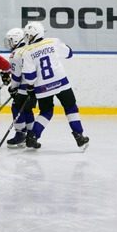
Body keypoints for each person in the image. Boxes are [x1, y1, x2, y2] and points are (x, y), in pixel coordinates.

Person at [19, 22, 89, 151]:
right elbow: (69, 53)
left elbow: (30, 77)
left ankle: (32, 136)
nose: (27, 38)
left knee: (46, 112)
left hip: (42, 86)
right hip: (61, 82)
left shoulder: (27, 52)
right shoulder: (53, 42)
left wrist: (30, 88)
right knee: (70, 108)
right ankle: (79, 135)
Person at [4, 27, 36, 148]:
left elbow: (16, 76)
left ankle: (20, 134)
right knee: (27, 109)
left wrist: (13, 88)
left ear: (16, 40)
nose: (9, 44)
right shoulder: (30, 49)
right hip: (34, 86)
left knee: (16, 107)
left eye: (10, 40)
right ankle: (31, 134)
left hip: (23, 86)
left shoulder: (16, 54)